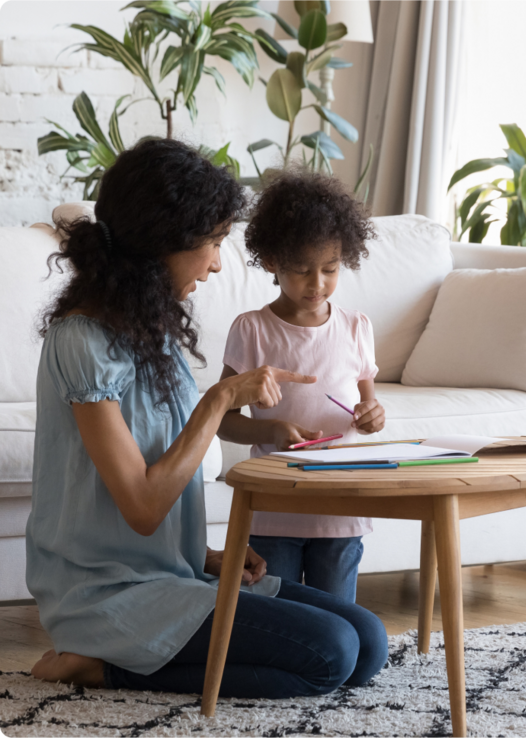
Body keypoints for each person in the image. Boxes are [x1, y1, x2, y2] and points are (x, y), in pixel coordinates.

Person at [26, 139, 388, 698]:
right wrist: (218, 400)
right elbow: (143, 507)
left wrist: (207, 555)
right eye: (213, 242)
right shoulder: (82, 342)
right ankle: (100, 664)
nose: (219, 262)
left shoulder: (152, 327)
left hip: (172, 576)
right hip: (108, 596)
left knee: (367, 639)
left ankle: (139, 653)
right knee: (330, 652)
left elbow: (156, 491)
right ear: (161, 243)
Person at [218, 170, 385, 602]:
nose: (317, 284)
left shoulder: (355, 327)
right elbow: (224, 421)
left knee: (338, 617)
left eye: (330, 269)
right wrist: (271, 431)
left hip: (340, 507)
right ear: (272, 261)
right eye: (302, 270)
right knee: (284, 619)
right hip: (276, 510)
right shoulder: (252, 330)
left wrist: (372, 417)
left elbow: (369, 408)